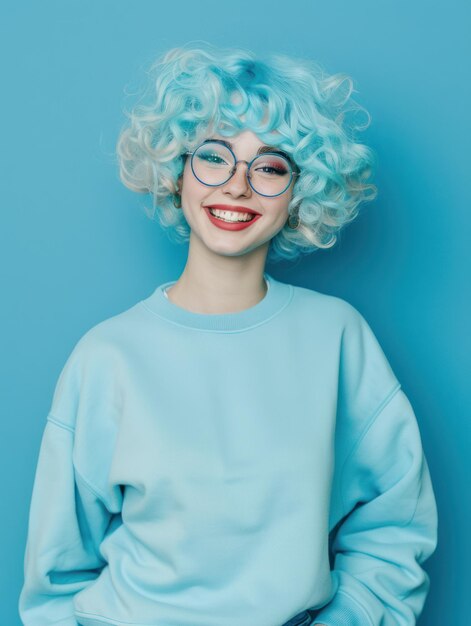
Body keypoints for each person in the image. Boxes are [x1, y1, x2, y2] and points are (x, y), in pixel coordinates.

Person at [18, 43, 438, 626]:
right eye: (214, 157)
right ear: (176, 171)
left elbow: (395, 522)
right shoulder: (106, 356)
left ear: (299, 193)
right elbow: (56, 579)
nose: (238, 186)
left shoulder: (337, 336)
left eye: (269, 167)